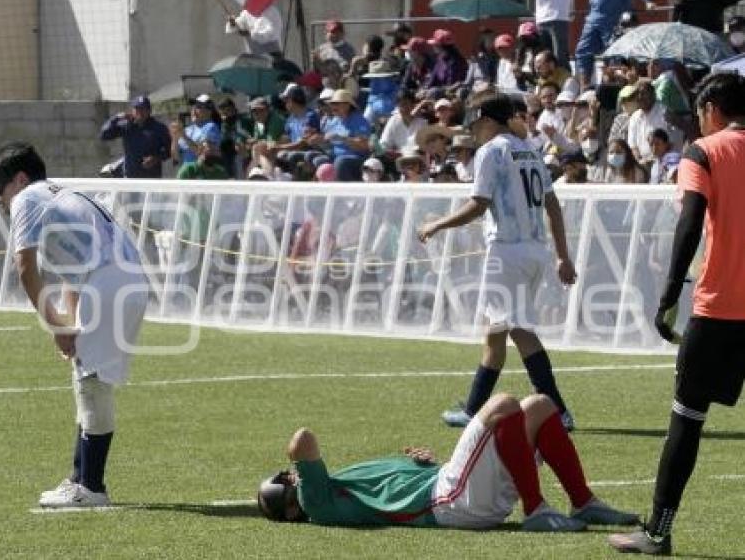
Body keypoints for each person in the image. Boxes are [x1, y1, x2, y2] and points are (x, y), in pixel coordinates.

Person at [608, 72, 745, 555]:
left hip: (719, 310)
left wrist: (668, 295)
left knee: (686, 421)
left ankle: (658, 532)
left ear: (710, 111)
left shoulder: (703, 152)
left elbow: (689, 221)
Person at [0, 142, 148, 508]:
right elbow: (75, 272)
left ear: (21, 179)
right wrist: (67, 323)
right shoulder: (62, 196)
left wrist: (57, 327)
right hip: (120, 280)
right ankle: (80, 479)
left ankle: (91, 487)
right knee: (86, 378)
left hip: (110, 283)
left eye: (0, 190)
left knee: (92, 384)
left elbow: (25, 269)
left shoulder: (28, 199)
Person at [417, 93, 577, 430]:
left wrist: (437, 224)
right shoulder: (530, 150)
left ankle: (557, 410)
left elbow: (478, 204)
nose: (474, 130)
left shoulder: (491, 152)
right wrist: (562, 255)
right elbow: (553, 206)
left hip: (507, 250)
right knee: (496, 331)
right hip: (534, 250)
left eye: (476, 122)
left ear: (489, 120)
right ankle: (474, 407)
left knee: (518, 330)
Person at [258, 393, 639, 531]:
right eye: (289, 480)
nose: (292, 477)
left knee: (539, 405)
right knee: (503, 404)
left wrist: (422, 464)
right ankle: (535, 509)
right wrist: (299, 474)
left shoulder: (335, 488)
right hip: (451, 504)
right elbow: (302, 439)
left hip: (453, 490)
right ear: (293, 506)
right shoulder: (316, 504)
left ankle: (583, 502)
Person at [574, 0, 653, 89]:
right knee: (582, 52)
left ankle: (615, 90)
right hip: (594, 15)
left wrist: (648, 0)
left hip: (615, 17)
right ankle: (583, 89)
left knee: (614, 56)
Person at [99, 95, 171, 178]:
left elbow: (169, 151)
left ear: (149, 110)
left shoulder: (159, 128)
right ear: (132, 110)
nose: (140, 112)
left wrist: (155, 158)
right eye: (137, 109)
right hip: (130, 176)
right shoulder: (127, 126)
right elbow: (104, 135)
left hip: (151, 178)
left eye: (143, 109)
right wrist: (116, 118)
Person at [535, 0, 573, 68]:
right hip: (541, 18)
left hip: (558, 17)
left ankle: (564, 78)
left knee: (559, 57)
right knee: (543, 58)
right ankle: (548, 79)